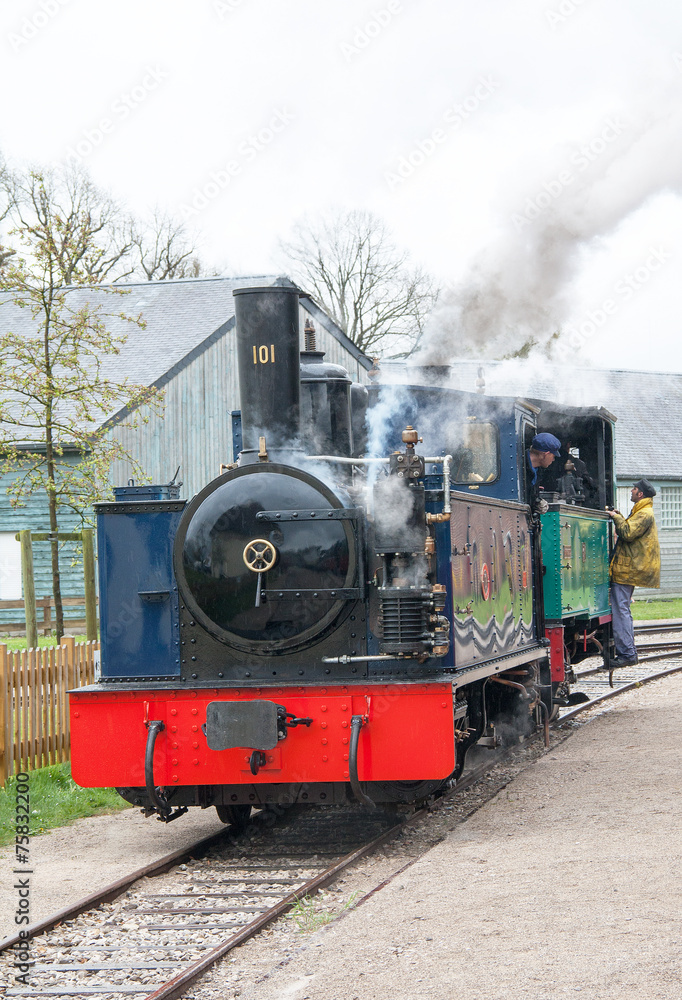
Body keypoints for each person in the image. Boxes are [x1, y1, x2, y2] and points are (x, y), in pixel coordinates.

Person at [606, 479, 661, 667]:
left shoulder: (645, 513)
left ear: (641, 494)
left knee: (620, 610)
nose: (631, 490)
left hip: (628, 569)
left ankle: (627, 654)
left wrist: (615, 517)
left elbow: (627, 532)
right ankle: (628, 652)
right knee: (622, 609)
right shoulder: (641, 511)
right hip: (628, 568)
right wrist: (620, 515)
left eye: (634, 488)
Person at [526, 432, 561, 513]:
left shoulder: (539, 470)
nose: (553, 460)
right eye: (553, 456)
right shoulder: (519, 466)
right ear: (546, 454)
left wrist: (537, 502)